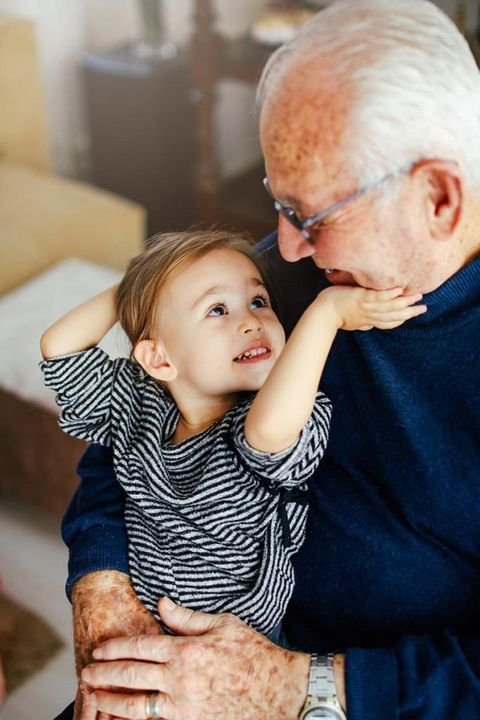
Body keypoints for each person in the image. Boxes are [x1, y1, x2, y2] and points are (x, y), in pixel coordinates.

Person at [54, 0, 480, 718]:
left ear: (437, 197)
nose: (283, 248)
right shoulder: (280, 283)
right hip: (177, 652)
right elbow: (130, 430)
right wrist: (102, 585)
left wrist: (294, 688)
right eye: (274, 204)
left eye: (311, 216)